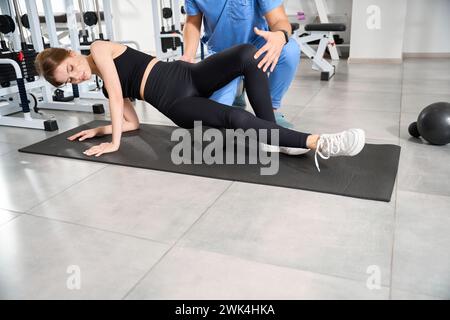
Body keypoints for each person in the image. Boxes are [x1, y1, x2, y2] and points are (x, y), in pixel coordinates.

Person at [34, 41, 365, 171]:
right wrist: (103, 130)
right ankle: (320, 142)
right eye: (68, 82)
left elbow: (118, 95)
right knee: (235, 116)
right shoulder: (106, 86)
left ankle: (271, 135)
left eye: (69, 70)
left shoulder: (99, 48)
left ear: (71, 54)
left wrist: (115, 141)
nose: (75, 77)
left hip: (185, 73)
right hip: (176, 101)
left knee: (247, 55)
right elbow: (132, 121)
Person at [182, 0, 300, 128]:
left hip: (257, 46)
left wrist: (280, 35)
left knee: (289, 51)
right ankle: (237, 88)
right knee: (217, 122)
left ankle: (271, 110)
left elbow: (279, 20)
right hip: (222, 55)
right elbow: (192, 22)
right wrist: (188, 55)